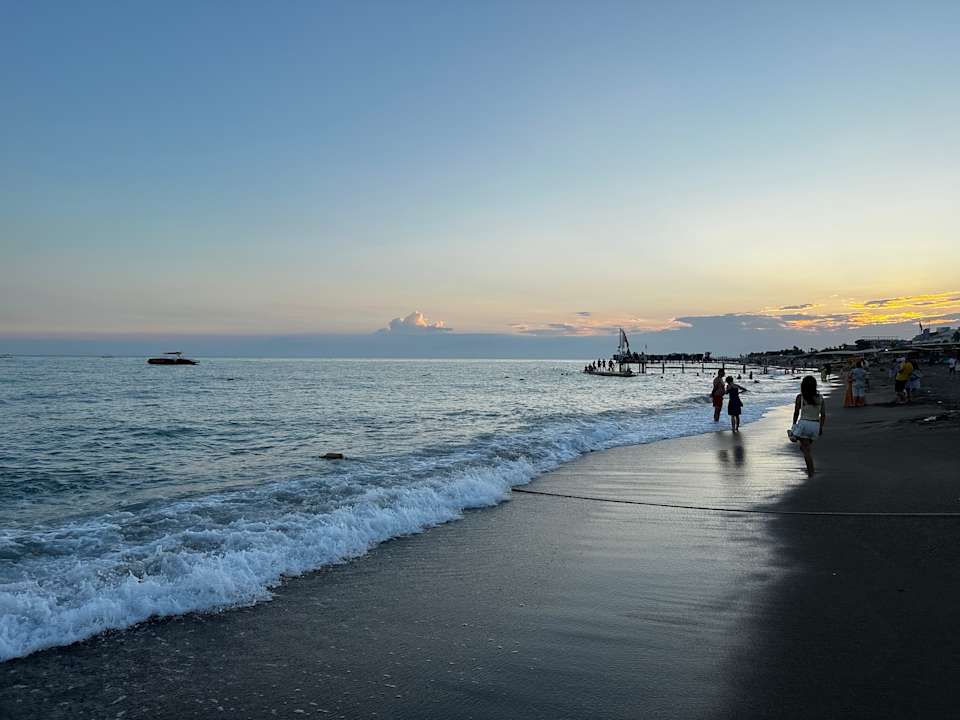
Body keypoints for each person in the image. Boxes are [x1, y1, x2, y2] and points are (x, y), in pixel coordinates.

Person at [789, 375, 826, 474]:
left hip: (804, 424)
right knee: (806, 447)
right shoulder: (820, 398)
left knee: (806, 451)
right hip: (815, 426)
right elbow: (823, 415)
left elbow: (796, 412)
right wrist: (821, 427)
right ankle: (797, 439)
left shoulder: (800, 397)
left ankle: (811, 471)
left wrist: (793, 423)